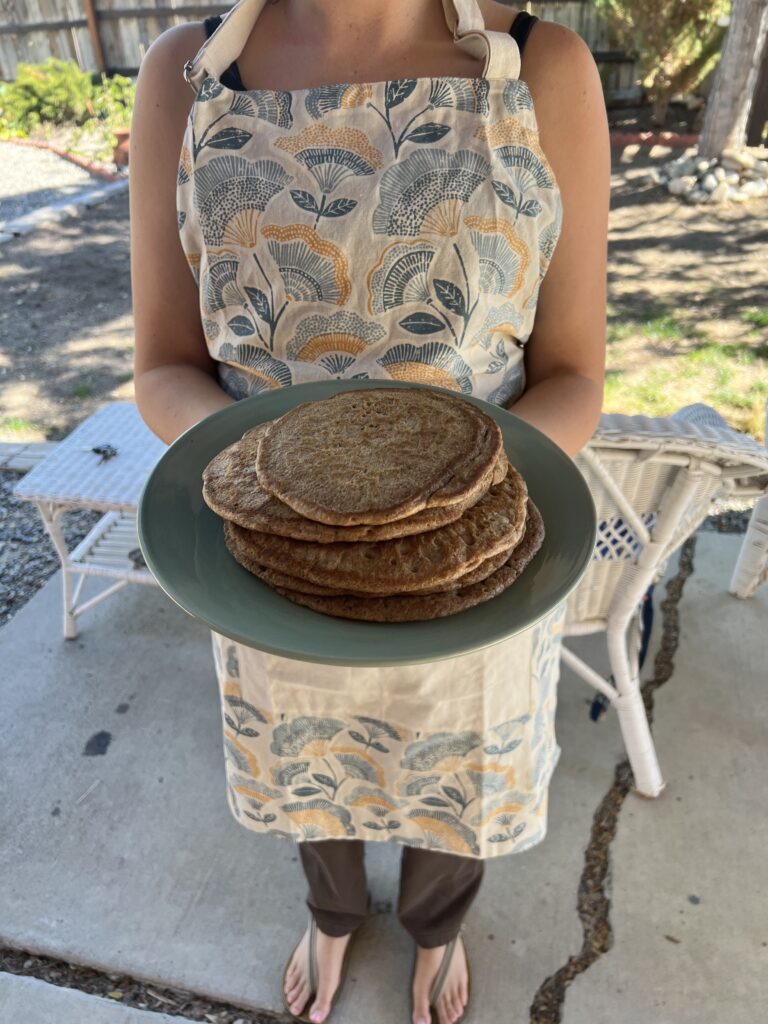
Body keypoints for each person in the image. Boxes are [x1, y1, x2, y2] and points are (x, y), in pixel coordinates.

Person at [130, 1, 609, 1022]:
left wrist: (446, 504)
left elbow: (572, 375)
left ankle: (437, 925)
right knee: (312, 755)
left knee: (456, 770)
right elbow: (164, 368)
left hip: (482, 558)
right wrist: (274, 479)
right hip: (272, 561)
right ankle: (333, 910)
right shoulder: (188, 74)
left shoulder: (541, 71)